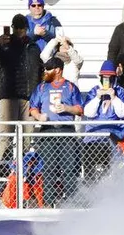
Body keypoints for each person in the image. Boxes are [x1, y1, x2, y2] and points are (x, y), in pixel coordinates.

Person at [0, 14, 43, 167]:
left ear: (26, 28)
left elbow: (40, 70)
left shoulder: (33, 46)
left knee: (27, 135)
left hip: (29, 96)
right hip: (8, 95)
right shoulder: (5, 44)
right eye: (16, 28)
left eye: (22, 28)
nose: (19, 31)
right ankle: (4, 168)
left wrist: (38, 93)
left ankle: (25, 166)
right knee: (6, 133)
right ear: (12, 28)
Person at [29, 57, 83, 206]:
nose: (45, 72)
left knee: (69, 169)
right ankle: (48, 203)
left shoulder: (70, 87)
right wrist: (39, 116)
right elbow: (32, 107)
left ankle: (73, 203)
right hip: (47, 131)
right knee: (48, 169)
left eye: (48, 69)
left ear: (58, 70)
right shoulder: (41, 88)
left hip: (66, 131)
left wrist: (67, 108)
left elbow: (79, 109)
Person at [82, 61, 124, 184]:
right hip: (94, 138)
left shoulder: (119, 91)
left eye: (109, 78)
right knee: (89, 156)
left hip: (114, 136)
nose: (107, 80)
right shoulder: (94, 91)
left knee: (113, 161)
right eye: (104, 77)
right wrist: (97, 98)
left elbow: (123, 113)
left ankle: (113, 184)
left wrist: (114, 98)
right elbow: (88, 112)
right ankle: (90, 186)